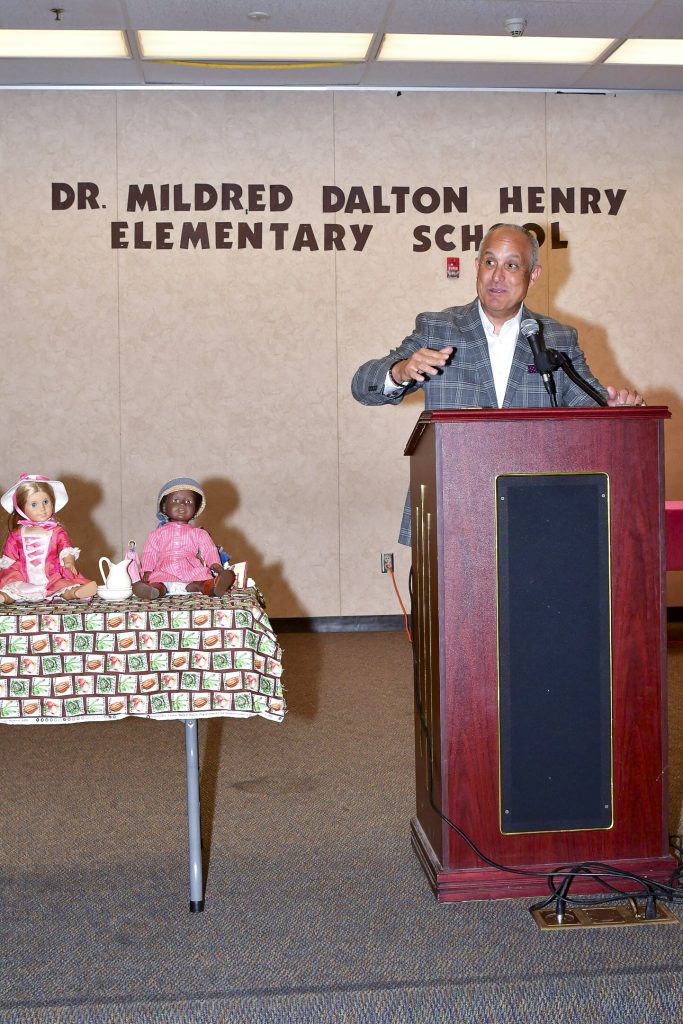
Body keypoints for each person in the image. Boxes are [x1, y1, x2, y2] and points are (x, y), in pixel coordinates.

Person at [351, 223, 645, 544]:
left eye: (512, 265)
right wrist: (401, 371)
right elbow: (362, 386)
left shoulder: (557, 338)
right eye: (489, 263)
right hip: (453, 511)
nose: (497, 275)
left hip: (538, 515)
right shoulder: (438, 329)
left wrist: (615, 414)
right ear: (477, 268)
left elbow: (590, 406)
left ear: (532, 276)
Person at [133, 477, 235, 600]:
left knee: (200, 582)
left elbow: (209, 550)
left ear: (195, 509)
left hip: (191, 571)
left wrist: (215, 564)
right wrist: (147, 570)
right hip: (165, 571)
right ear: (164, 507)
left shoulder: (199, 533)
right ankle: (152, 591)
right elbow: (149, 553)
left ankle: (213, 587)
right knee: (158, 583)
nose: (182, 505)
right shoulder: (157, 534)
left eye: (188, 502)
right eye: (176, 500)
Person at [0, 473, 98, 603]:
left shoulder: (57, 531)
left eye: (46, 502)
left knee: (62, 586)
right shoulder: (17, 534)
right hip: (23, 576)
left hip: (51, 576)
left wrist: (69, 562)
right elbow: (9, 558)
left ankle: (75, 592)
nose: (42, 508)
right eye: (34, 504)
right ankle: (4, 597)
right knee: (11, 587)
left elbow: (66, 549)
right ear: (21, 508)